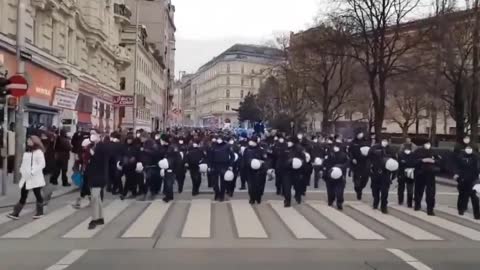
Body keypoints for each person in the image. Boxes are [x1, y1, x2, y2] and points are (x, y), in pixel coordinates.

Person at [7, 136, 46, 220]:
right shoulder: (28, 151)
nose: (28, 141)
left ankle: (40, 212)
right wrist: (22, 170)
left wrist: (32, 171)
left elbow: (42, 164)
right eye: (28, 140)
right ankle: (16, 213)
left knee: (37, 194)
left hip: (35, 178)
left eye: (29, 140)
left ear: (34, 142)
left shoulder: (38, 152)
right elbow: (24, 163)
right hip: (26, 177)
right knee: (23, 195)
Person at [85, 134, 109, 230]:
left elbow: (100, 160)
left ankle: (94, 219)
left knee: (94, 198)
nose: (93, 136)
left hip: (99, 176)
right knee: (97, 198)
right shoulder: (93, 146)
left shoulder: (101, 147)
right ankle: (100, 217)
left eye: (95, 134)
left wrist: (92, 153)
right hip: (94, 175)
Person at [368, 138, 396, 214]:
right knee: (375, 190)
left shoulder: (390, 149)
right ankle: (375, 202)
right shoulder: (375, 147)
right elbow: (369, 156)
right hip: (375, 172)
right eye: (384, 140)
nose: (385, 142)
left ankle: (384, 207)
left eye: (386, 141)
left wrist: (394, 174)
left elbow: (394, 161)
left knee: (384, 192)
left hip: (386, 173)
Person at [412, 140, 439, 216]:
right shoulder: (418, 151)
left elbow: (439, 161)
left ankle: (430, 209)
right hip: (420, 173)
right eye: (426, 143)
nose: (428, 145)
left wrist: (434, 161)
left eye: (429, 143)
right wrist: (422, 160)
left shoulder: (433, 151)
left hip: (430, 174)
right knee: (418, 190)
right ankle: (417, 205)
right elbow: (413, 161)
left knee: (431, 192)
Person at [453, 144, 480, 219]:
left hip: (473, 180)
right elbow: (457, 166)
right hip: (462, 178)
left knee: (474, 197)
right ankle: (461, 209)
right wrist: (456, 174)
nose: (469, 149)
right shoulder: (460, 157)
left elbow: (478, 168)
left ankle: (477, 214)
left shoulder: (475, 157)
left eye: (470, 148)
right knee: (462, 195)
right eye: (468, 148)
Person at [208, 135, 235, 201]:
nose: (219, 140)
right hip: (215, 165)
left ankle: (222, 195)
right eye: (218, 139)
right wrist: (209, 166)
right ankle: (217, 193)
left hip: (224, 165)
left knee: (223, 182)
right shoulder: (213, 146)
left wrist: (230, 165)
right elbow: (210, 157)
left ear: (223, 139)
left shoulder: (227, 146)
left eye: (220, 139)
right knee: (214, 182)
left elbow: (232, 156)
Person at [324, 141, 349, 210]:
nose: (335, 148)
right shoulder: (329, 154)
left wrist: (340, 167)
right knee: (330, 190)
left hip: (340, 176)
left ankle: (339, 202)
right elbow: (325, 163)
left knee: (339, 191)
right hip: (330, 175)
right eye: (334, 147)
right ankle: (330, 200)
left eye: (337, 147)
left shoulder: (343, 155)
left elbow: (347, 163)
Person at [282, 137, 306, 207]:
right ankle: (287, 201)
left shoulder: (299, 149)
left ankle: (298, 196)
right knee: (286, 187)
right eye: (287, 141)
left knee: (297, 186)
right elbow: (281, 159)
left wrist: (300, 164)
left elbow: (303, 160)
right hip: (286, 171)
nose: (288, 143)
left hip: (297, 171)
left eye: (289, 142)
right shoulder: (285, 149)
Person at [242, 136, 267, 204]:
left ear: (256, 142)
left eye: (252, 141)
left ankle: (258, 197)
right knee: (250, 186)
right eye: (250, 141)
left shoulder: (261, 149)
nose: (251, 142)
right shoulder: (247, 150)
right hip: (249, 170)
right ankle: (252, 198)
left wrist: (261, 162)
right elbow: (244, 159)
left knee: (258, 185)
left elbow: (265, 159)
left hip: (259, 171)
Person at [349, 130, 371, 200]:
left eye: (361, 133)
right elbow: (350, 152)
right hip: (356, 162)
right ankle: (358, 189)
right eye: (358, 134)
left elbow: (370, 151)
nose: (360, 135)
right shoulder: (353, 143)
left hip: (365, 162)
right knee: (356, 179)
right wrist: (352, 159)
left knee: (365, 178)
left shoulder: (367, 142)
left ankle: (361, 188)